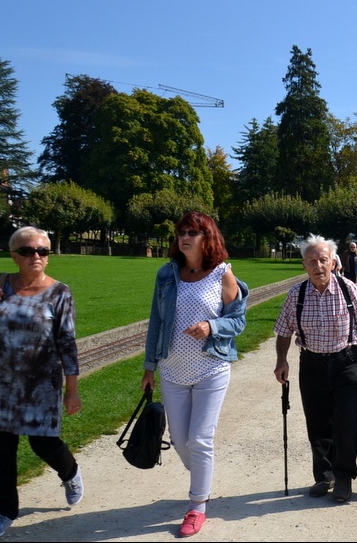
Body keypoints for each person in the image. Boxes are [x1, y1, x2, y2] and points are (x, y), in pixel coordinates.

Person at [141, 211, 249, 538]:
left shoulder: (222, 274)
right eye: (181, 232)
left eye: (193, 232)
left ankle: (197, 505)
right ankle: (202, 470)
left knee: (200, 440)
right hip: (172, 370)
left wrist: (211, 326)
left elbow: (238, 321)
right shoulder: (167, 274)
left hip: (211, 369)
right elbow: (156, 321)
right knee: (179, 440)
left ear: (207, 238)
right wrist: (149, 366)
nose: (185, 237)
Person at [0, 226, 83, 540]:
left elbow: (67, 343)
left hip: (41, 386)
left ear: (48, 256)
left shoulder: (59, 293)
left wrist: (72, 390)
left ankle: (70, 472)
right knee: (1, 449)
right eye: (27, 250)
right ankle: (5, 512)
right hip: (1, 384)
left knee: (43, 443)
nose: (35, 256)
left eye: (42, 251)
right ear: (14, 255)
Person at [273, 234, 357, 504]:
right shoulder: (296, 295)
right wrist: (282, 360)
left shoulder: (348, 289)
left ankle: (343, 477)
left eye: (323, 260)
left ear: (333, 262)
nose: (318, 266)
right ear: (304, 265)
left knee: (346, 420)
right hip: (311, 364)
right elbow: (283, 332)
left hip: (346, 361)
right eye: (311, 261)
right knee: (317, 422)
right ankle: (323, 475)